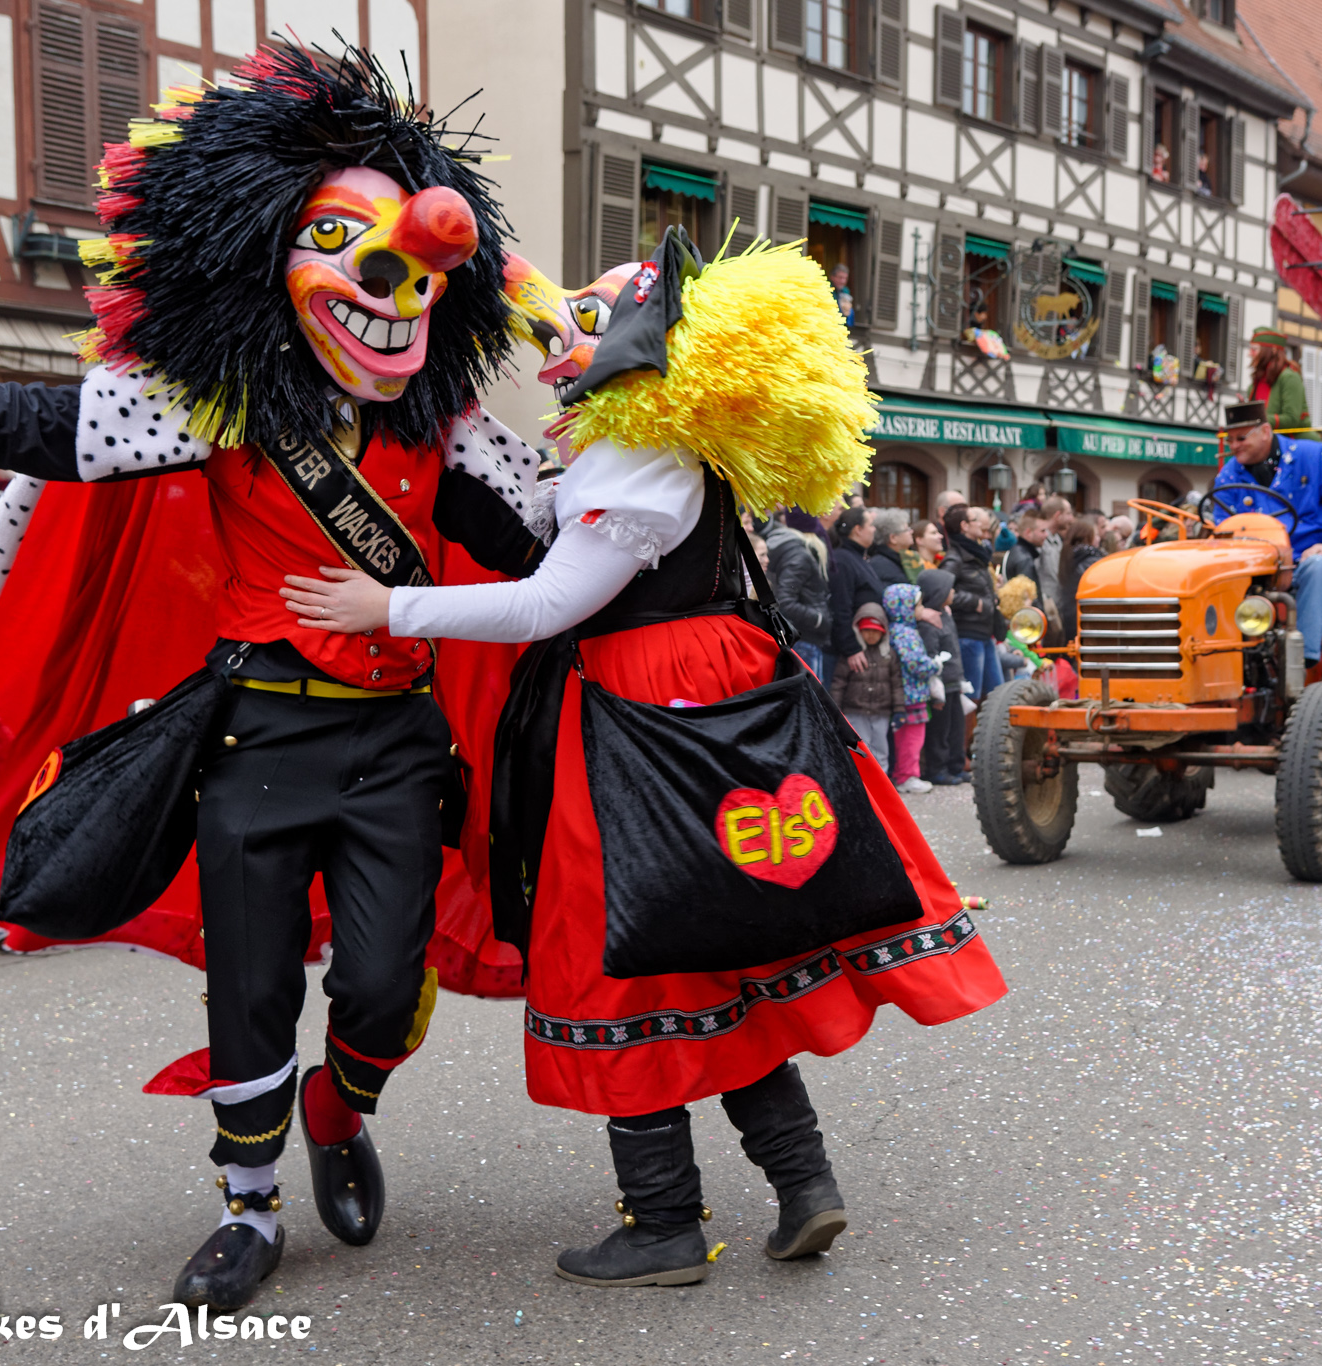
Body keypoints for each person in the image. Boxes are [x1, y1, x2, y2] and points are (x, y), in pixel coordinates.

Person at [0, 43, 545, 1311]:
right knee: (254, 980)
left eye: (422, 265)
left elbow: (546, 553)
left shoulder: (440, 426)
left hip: (395, 743)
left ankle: (341, 1103)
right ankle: (249, 1206)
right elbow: (21, 421)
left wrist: (676, 470)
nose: (394, 284)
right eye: (351, 244)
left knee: (381, 985)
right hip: (258, 738)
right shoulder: (208, 405)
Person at [281, 231, 1004, 1288]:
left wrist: (386, 605)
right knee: (726, 958)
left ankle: (664, 1220)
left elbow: (542, 605)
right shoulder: (667, 452)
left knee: (612, 961)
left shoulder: (636, 457)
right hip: (710, 701)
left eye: (579, 326)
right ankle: (804, 1185)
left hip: (637, 717)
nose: (555, 345)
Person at [1214, 401, 1322, 670]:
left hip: (1303, 562)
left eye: (1240, 438)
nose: (1233, 446)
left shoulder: (1311, 456)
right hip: (1253, 570)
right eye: (1229, 440)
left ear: (1264, 431)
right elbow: (1222, 527)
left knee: (1319, 567)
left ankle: (1302, 658)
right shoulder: (1228, 476)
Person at [940, 504, 1003, 703]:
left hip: (985, 632)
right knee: (971, 698)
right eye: (975, 520)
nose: (980, 524)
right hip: (967, 634)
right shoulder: (955, 558)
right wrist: (975, 602)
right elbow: (941, 592)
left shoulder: (977, 553)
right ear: (964, 526)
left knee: (996, 695)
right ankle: (967, 735)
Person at [881, 582, 940, 794]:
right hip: (911, 693)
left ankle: (904, 773)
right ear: (904, 607)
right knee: (912, 738)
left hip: (905, 693)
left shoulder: (898, 631)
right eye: (918, 605)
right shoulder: (905, 633)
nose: (921, 609)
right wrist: (934, 665)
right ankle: (908, 775)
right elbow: (915, 663)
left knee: (904, 737)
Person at [825, 602, 896, 770]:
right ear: (858, 630)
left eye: (875, 631)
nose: (871, 635)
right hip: (855, 711)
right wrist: (836, 709)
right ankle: (862, 783)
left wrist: (899, 709)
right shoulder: (851, 656)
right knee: (858, 749)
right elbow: (839, 683)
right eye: (867, 630)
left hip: (881, 712)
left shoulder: (889, 655)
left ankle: (882, 783)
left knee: (881, 749)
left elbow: (896, 683)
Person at [760, 511, 832, 676]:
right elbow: (784, 600)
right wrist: (818, 620)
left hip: (801, 635)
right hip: (804, 637)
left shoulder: (793, 549)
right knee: (810, 696)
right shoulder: (799, 554)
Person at [915, 568, 968, 786]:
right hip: (941, 685)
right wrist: (935, 692)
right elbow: (930, 654)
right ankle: (937, 769)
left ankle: (957, 765)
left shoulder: (946, 614)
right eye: (949, 588)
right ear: (938, 592)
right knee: (940, 730)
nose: (954, 591)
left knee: (957, 727)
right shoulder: (929, 623)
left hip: (955, 681)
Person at [826, 505, 886, 671]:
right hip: (843, 654)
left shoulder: (856, 557)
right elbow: (840, 607)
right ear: (858, 530)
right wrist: (851, 648)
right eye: (871, 525)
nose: (874, 530)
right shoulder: (842, 561)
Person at [1247, 328, 1310, 434]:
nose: (1249, 354)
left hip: (1294, 443)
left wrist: (1257, 419)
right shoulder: (1255, 384)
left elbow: (1292, 419)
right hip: (1267, 440)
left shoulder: (1290, 377)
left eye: (1254, 349)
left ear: (1273, 350)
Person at [1055, 516, 1107, 640]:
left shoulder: (1070, 554)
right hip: (1085, 616)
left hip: (1069, 614)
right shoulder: (1091, 560)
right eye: (1096, 535)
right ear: (1087, 538)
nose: (1099, 539)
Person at [870, 506, 915, 585]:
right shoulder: (881, 566)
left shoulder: (905, 558)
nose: (911, 531)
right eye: (906, 529)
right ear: (893, 538)